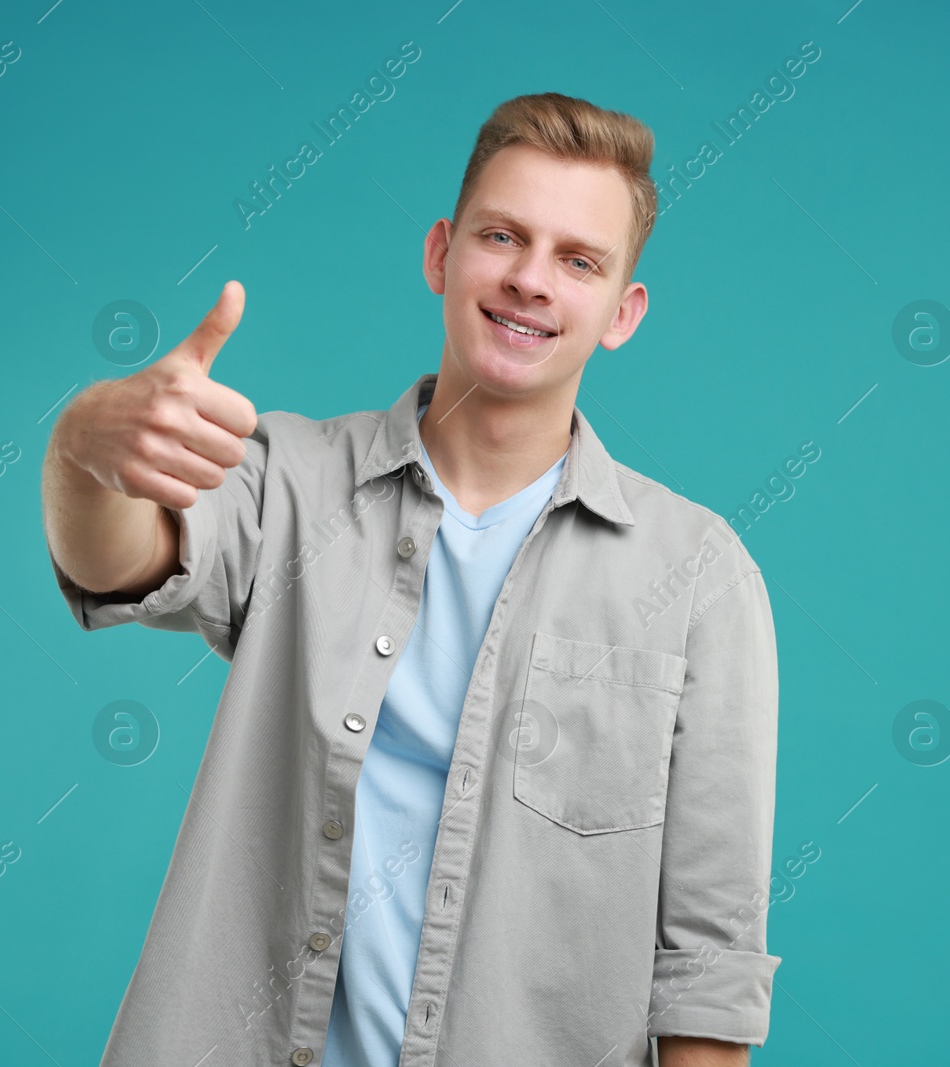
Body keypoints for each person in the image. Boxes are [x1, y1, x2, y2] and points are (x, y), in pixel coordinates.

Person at [41, 92, 780, 1067]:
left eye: (578, 260)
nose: (529, 280)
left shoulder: (697, 575)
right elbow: (123, 559)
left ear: (620, 312)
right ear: (441, 252)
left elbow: (707, 969)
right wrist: (84, 446)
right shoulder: (289, 481)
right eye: (502, 236)